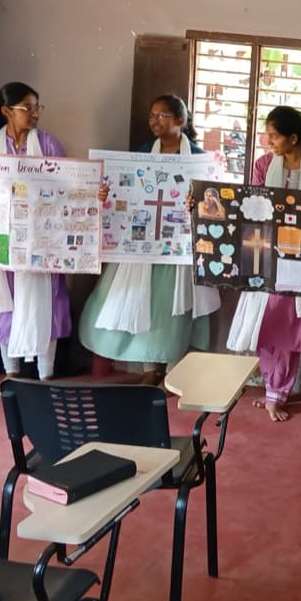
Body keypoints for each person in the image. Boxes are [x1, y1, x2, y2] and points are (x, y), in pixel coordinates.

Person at [0, 82, 107, 381]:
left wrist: (94, 195)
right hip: (3, 242)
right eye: (26, 108)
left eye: (37, 107)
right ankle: (11, 375)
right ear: (6, 111)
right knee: (5, 304)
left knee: (47, 305)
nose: (34, 113)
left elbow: (69, 190)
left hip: (41, 242)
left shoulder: (49, 145)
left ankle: (45, 376)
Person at [78, 95, 220, 385]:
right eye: (151, 116)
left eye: (162, 115)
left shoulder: (198, 159)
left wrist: (199, 203)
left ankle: (171, 373)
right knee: (141, 303)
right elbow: (124, 192)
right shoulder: (142, 154)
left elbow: (213, 200)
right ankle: (148, 370)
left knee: (170, 310)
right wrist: (106, 195)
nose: (154, 121)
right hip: (142, 245)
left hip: (177, 249)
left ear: (180, 120)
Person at [225, 106, 301, 421]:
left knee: (289, 326)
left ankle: (277, 392)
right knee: (265, 322)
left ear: (293, 138)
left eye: (274, 136)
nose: (269, 141)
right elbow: (252, 205)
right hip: (263, 257)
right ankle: (274, 389)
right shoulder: (263, 165)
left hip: (300, 262)